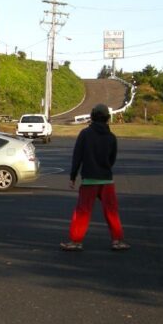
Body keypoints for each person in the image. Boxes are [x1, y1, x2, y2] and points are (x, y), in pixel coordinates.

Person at [61, 104, 131, 252]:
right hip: (106, 179)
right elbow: (112, 159)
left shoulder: (85, 134)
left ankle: (76, 241)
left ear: (92, 116)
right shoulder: (111, 137)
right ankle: (117, 240)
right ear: (107, 117)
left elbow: (77, 157)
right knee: (111, 211)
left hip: (89, 180)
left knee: (82, 211)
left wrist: (73, 176)